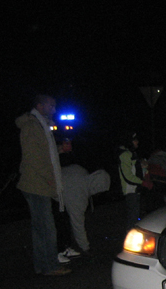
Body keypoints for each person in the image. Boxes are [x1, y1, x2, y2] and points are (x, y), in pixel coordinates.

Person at [15, 94, 70, 276]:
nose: (54, 109)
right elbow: (33, 158)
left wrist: (60, 150)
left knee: (41, 228)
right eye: (51, 106)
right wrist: (49, 177)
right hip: (36, 185)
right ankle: (50, 266)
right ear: (40, 106)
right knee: (46, 228)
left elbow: (43, 153)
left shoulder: (41, 125)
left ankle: (43, 265)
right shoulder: (32, 126)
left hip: (38, 183)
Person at [61, 163, 110, 254]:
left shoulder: (82, 171)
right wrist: (86, 247)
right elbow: (77, 223)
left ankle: (64, 247)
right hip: (46, 190)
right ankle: (63, 250)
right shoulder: (78, 195)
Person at [118, 132, 146, 232]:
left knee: (135, 218)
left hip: (136, 190)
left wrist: (145, 170)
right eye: (135, 140)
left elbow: (138, 170)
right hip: (131, 191)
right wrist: (142, 182)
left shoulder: (132, 154)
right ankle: (129, 242)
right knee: (132, 220)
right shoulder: (125, 155)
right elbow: (128, 176)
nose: (137, 142)